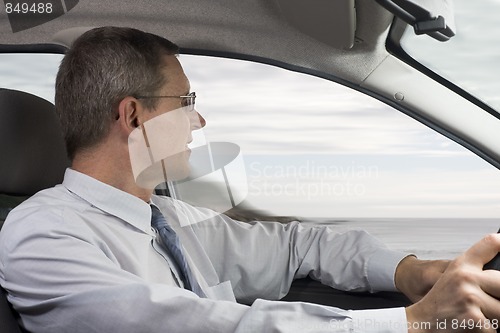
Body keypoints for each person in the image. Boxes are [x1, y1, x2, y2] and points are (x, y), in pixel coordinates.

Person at [0, 26, 499, 333]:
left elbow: (296, 245)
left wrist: (407, 273)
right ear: (133, 116)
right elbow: (191, 326)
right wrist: (411, 323)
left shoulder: (175, 221)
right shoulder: (42, 234)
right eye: (186, 104)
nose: (199, 123)